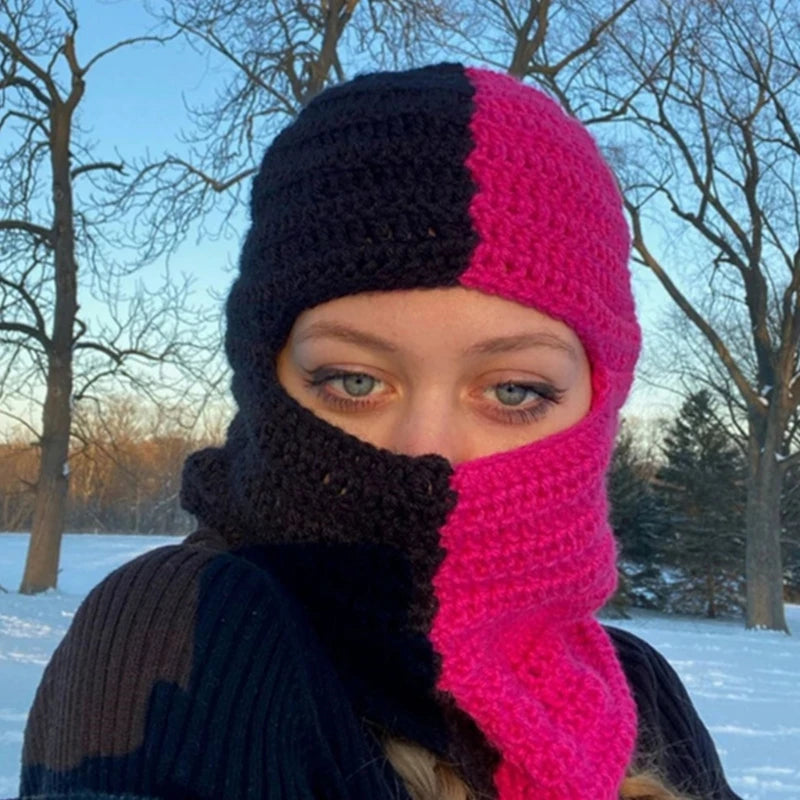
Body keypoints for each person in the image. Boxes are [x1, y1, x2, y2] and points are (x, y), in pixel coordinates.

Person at [18, 64, 742, 800]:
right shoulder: (191, 630)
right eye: (354, 382)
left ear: (600, 397)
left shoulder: (635, 694)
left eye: (514, 390)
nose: (426, 449)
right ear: (265, 377)